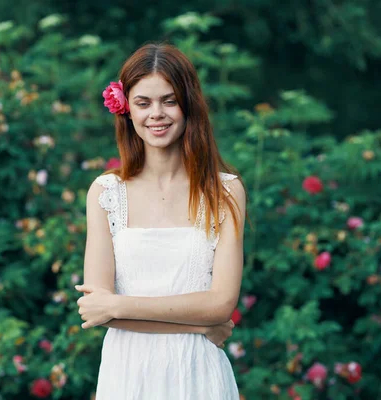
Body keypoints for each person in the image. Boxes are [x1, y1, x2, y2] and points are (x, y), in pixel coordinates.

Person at [75, 43, 246, 399]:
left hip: (198, 370)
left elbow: (221, 305)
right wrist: (200, 325)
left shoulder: (226, 191)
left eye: (169, 101)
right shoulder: (105, 193)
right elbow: (96, 310)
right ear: (126, 110)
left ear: (188, 105)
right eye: (143, 103)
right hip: (127, 373)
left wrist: (120, 305)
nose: (157, 114)